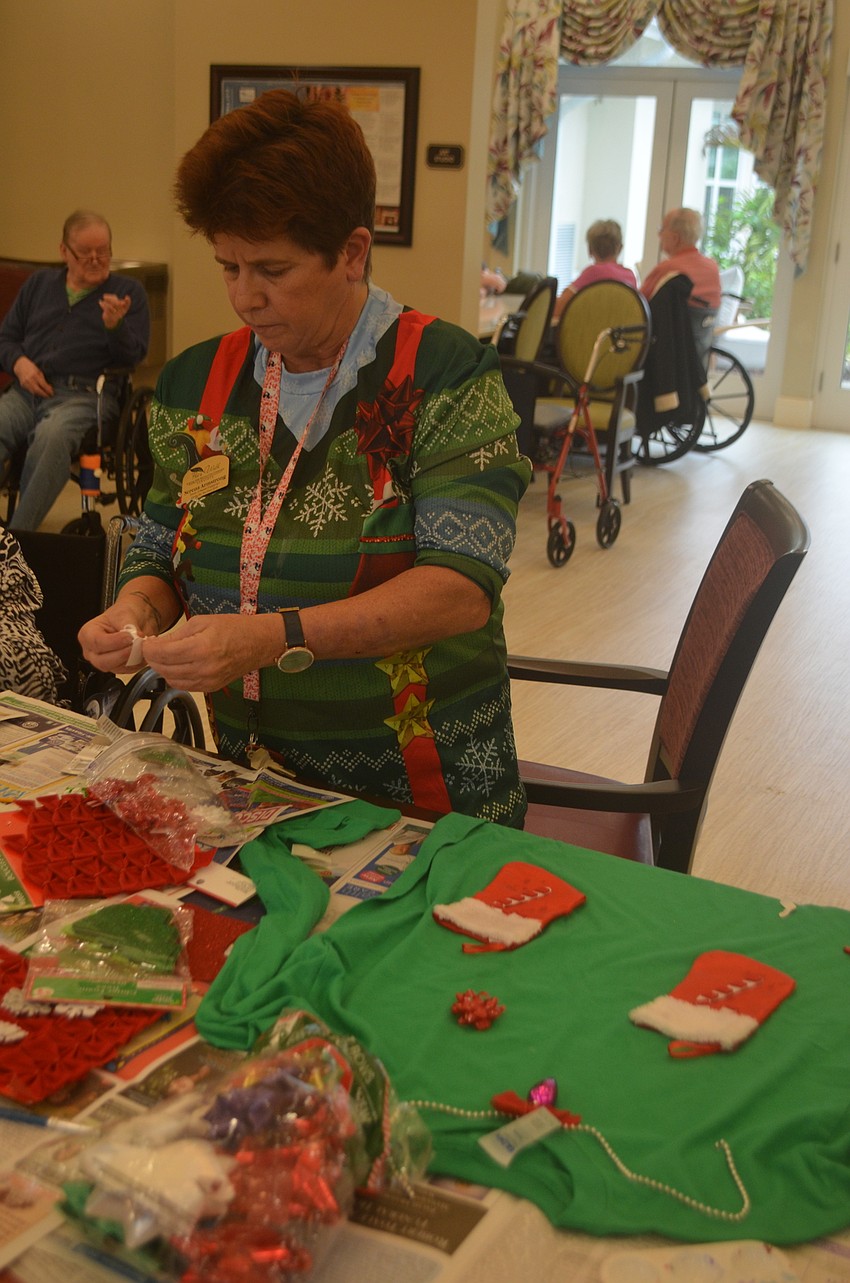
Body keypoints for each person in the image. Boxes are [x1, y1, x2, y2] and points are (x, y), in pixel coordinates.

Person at [78, 91, 531, 828]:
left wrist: (273, 637)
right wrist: (136, 610)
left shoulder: (446, 375)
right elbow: (162, 544)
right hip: (248, 783)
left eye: (272, 269)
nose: (244, 297)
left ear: (352, 252)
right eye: (228, 266)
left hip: (421, 794)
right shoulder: (195, 387)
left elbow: (459, 590)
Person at [0, 211, 150, 531]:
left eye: (103, 251)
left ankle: (17, 540)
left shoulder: (128, 292)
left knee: (51, 437)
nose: (96, 260)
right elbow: (6, 338)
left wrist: (115, 327)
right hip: (27, 390)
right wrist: (19, 363)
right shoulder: (39, 284)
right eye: (85, 253)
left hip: (84, 396)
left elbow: (133, 358)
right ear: (64, 251)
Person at [552, 219, 637, 322]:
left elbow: (557, 308)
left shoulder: (592, 273)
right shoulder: (630, 276)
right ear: (620, 248)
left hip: (590, 331)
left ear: (590, 250)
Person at [639, 207, 721, 311]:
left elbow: (637, 302)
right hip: (703, 322)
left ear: (675, 238)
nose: (659, 234)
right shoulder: (712, 267)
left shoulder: (669, 269)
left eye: (662, 229)